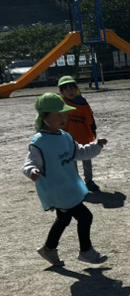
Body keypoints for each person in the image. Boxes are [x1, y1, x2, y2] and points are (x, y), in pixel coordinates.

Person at [22, 93, 108, 266]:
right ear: (44, 118)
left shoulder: (65, 136)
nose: (63, 117)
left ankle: (49, 248)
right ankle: (86, 251)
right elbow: (29, 162)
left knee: (64, 218)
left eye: (64, 113)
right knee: (85, 216)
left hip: (69, 187)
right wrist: (32, 171)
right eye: (58, 114)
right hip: (56, 189)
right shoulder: (38, 142)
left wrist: (96, 146)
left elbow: (80, 152)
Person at [58, 75, 101, 192]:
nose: (70, 91)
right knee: (72, 161)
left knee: (87, 158)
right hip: (68, 137)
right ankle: (75, 183)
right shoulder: (60, 103)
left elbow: (89, 117)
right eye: (66, 89)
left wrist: (93, 129)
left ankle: (89, 181)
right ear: (61, 92)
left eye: (72, 88)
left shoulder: (82, 102)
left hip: (83, 136)